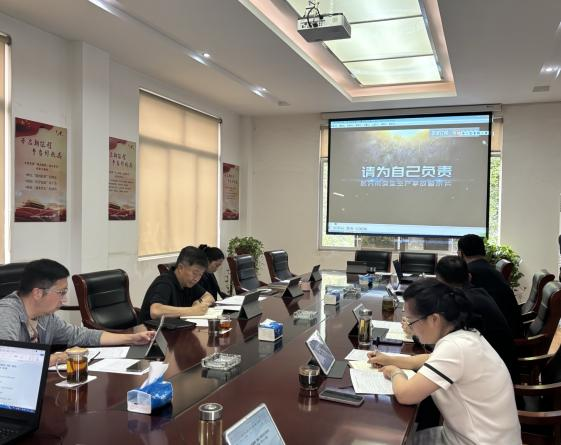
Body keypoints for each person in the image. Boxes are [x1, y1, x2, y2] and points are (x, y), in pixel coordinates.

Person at [368, 279, 521, 445]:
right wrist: (389, 359)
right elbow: (429, 359)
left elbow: (406, 395)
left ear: (434, 319)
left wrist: (394, 371)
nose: (410, 328)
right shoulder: (465, 336)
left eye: (411, 322)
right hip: (470, 436)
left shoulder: (455, 348)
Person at [0, 259, 155, 366]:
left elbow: (80, 335)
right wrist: (56, 358)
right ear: (38, 293)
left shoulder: (45, 316)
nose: (65, 299)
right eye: (61, 292)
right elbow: (6, 359)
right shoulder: (7, 313)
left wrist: (131, 338)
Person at [435, 255, 516, 378]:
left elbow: (445, 340)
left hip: (492, 373)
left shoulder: (463, 303)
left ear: (441, 284)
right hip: (501, 364)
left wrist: (416, 334)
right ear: (469, 277)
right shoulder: (478, 293)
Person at [457, 234, 521, 335]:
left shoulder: (470, 273)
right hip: (510, 327)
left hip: (498, 337)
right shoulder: (487, 269)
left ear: (461, 253)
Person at [139, 246, 215, 322]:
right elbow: (155, 311)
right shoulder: (165, 282)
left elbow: (209, 297)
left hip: (175, 327)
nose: (197, 278)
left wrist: (200, 302)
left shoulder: (189, 283)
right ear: (180, 268)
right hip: (151, 328)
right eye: (194, 273)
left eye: (200, 275)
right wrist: (193, 310)